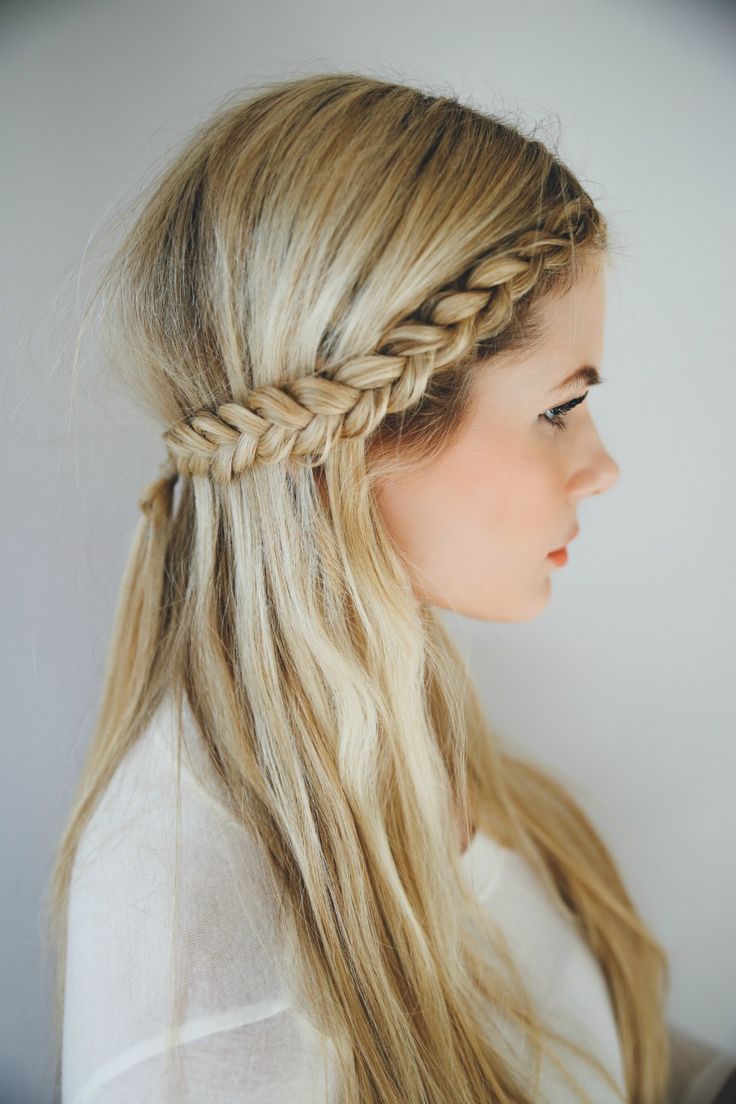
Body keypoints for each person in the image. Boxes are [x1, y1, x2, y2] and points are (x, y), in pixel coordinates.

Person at [47, 72, 736, 1104]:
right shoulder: (207, 1004)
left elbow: (572, 1044)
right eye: (559, 408)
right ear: (356, 442)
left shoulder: (395, 717)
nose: (601, 467)